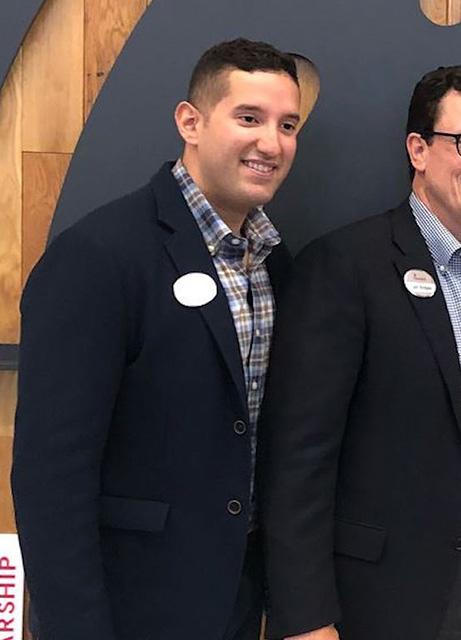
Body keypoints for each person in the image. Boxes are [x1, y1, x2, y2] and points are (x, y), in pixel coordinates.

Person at [12, 38, 302, 640]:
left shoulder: (275, 265)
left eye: (287, 125)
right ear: (190, 122)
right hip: (129, 606)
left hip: (235, 603)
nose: (271, 143)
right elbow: (50, 479)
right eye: (248, 118)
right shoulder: (99, 256)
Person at [259, 64, 461, 640]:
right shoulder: (346, 266)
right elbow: (297, 457)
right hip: (381, 588)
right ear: (419, 149)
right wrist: (305, 616)